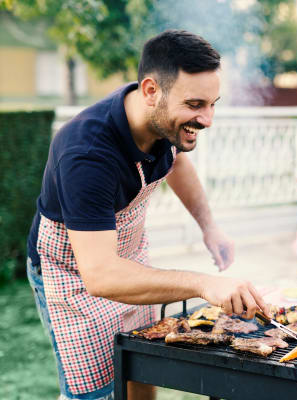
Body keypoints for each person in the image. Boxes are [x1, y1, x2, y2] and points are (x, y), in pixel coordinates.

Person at [26, 29, 269, 400]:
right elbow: (102, 275)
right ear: (151, 91)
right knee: (97, 391)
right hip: (76, 274)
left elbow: (178, 164)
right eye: (195, 105)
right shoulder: (87, 153)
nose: (207, 119)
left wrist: (210, 228)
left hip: (128, 255)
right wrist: (204, 283)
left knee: (141, 366)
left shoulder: (161, 121)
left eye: (212, 103)